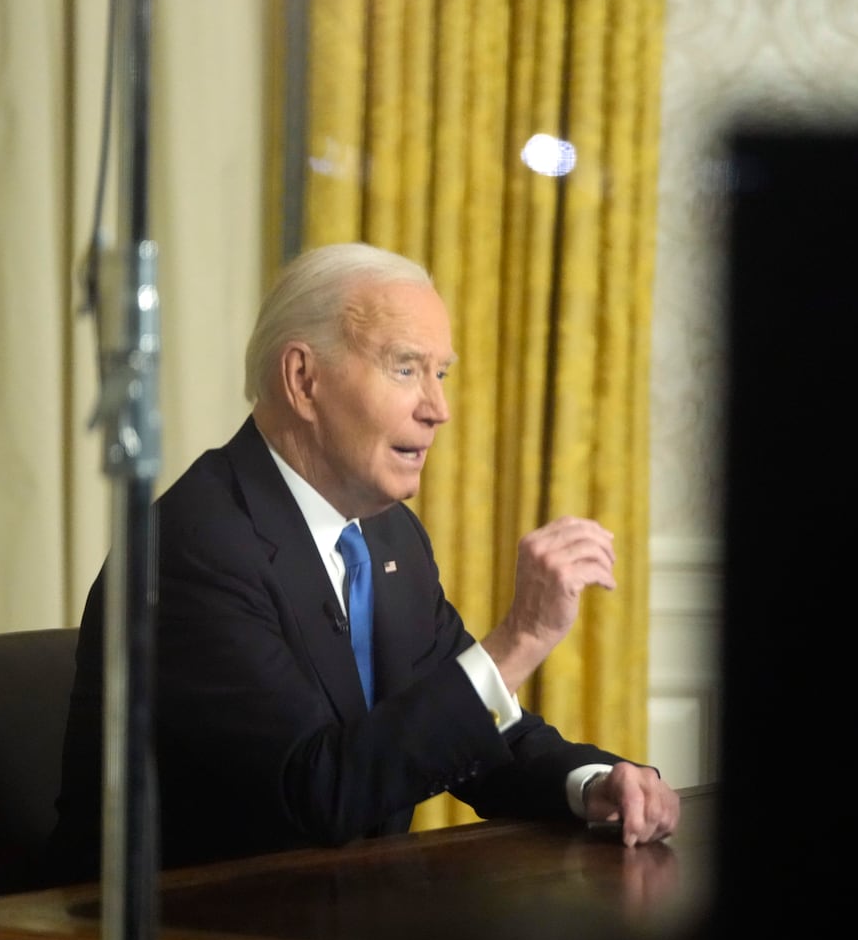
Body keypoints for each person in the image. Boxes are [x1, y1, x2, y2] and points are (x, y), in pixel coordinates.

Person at [46, 241, 679, 879]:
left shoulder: (389, 537)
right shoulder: (192, 549)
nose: (438, 408)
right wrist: (524, 636)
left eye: (442, 374)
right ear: (303, 380)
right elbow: (319, 793)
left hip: (337, 916)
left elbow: (475, 730)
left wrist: (591, 784)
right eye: (406, 369)